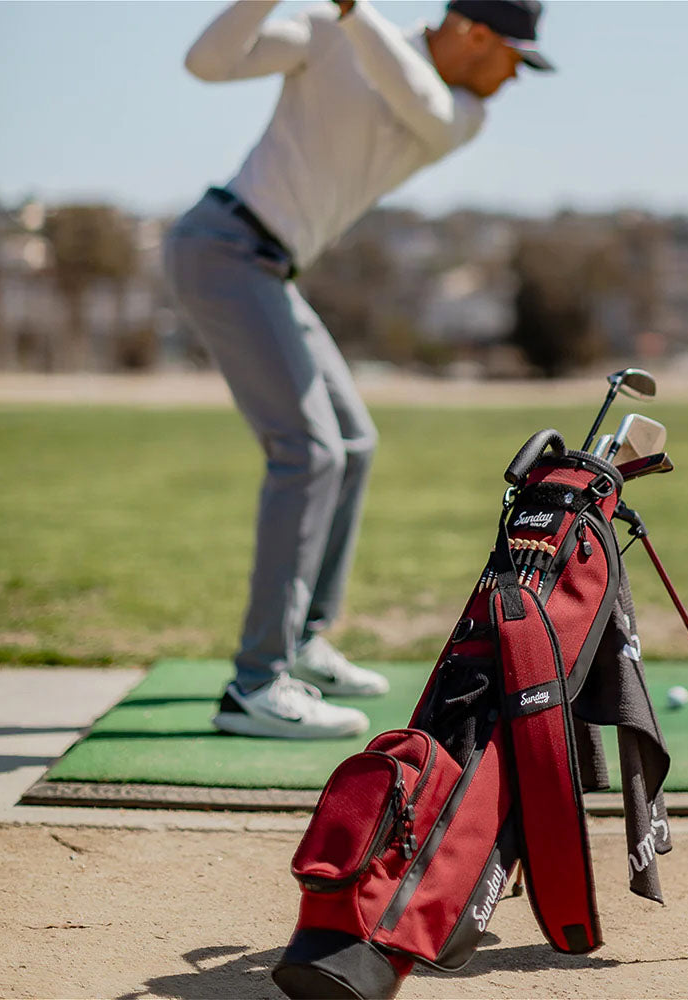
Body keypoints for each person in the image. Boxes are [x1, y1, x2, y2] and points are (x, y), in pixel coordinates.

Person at [163, 0, 554, 739]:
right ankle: (256, 683)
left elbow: (423, 103)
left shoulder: (459, 109)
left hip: (270, 266)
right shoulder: (328, 36)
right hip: (222, 246)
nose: (514, 78)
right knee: (307, 453)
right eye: (515, 58)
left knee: (352, 443)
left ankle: (303, 639)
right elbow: (204, 64)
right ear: (477, 34)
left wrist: (351, 10)